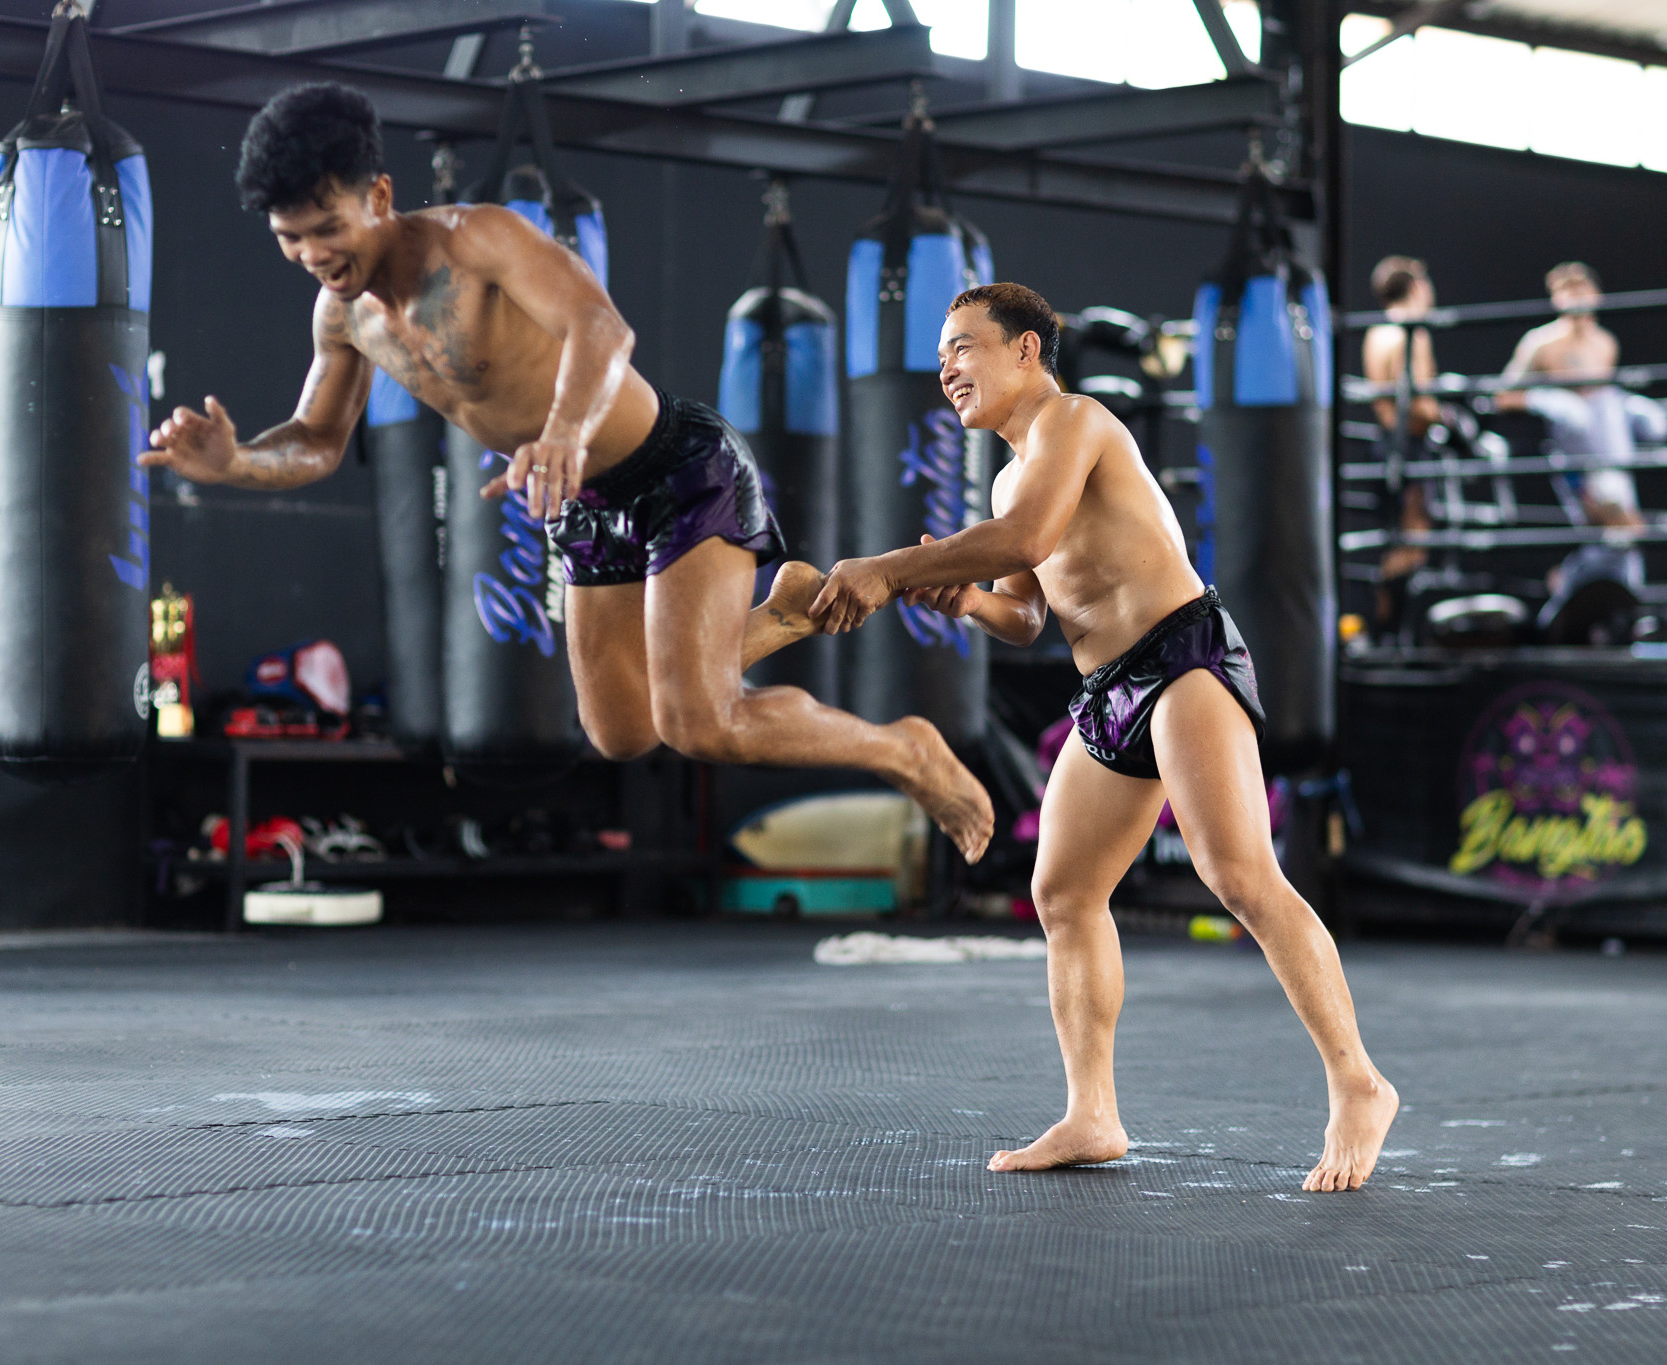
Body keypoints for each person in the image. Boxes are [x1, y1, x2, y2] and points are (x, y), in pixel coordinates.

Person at [139, 83, 993, 861]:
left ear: (380, 197)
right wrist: (235, 461)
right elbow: (318, 440)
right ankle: (784, 613)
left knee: (701, 722)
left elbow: (601, 326)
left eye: (327, 227)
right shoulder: (342, 317)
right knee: (621, 731)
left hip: (678, 470)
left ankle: (905, 748)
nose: (312, 253)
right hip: (583, 502)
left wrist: (561, 434)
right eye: (290, 238)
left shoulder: (477, 240)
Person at [798, 283, 1399, 1192]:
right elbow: (1027, 614)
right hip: (1109, 688)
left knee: (1239, 875)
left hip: (1181, 656)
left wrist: (887, 567)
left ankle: (1360, 1084)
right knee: (1064, 891)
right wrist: (968, 601)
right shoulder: (1007, 477)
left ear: (1026, 349)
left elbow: (1024, 538)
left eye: (964, 346)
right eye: (940, 354)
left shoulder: (1074, 419)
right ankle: (1093, 1114)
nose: (946, 368)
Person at [1496, 261, 1667, 538]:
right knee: (1575, 415)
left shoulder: (1606, 342)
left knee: (1654, 422)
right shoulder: (1540, 343)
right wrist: (1551, 401)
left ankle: (1617, 493)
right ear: (1556, 298)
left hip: (1609, 442)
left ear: (1596, 295)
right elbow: (1504, 396)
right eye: (1568, 291)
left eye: (1581, 290)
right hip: (1573, 447)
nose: (1576, 298)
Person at [1361, 256, 1441, 637]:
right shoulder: (1411, 332)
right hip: (1408, 447)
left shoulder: (1375, 332)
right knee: (1412, 545)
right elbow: (1418, 404)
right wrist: (1447, 416)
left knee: (1395, 545)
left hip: (1385, 444)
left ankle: (1384, 634)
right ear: (1415, 287)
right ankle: (1394, 637)